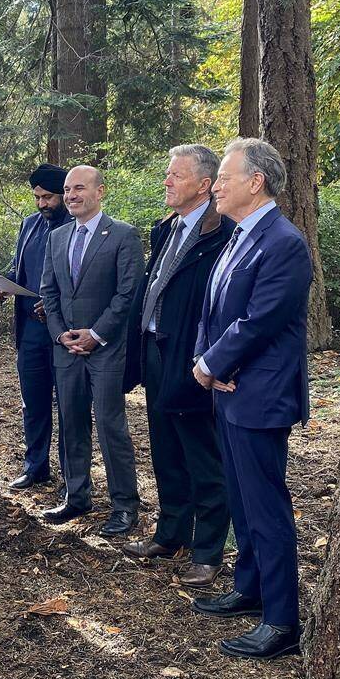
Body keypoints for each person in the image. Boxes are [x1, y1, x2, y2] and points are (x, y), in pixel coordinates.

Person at [191, 138, 312, 660]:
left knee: (266, 506)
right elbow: (213, 312)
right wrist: (208, 363)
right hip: (229, 390)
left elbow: (260, 320)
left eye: (224, 175)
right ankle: (250, 588)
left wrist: (213, 364)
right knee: (242, 500)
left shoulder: (284, 242)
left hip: (259, 394)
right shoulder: (237, 237)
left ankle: (282, 620)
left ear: (255, 181)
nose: (215, 184)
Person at [123, 145, 235, 589]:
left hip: (192, 357)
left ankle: (208, 551)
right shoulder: (167, 229)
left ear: (204, 185)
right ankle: (170, 534)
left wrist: (210, 358)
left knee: (202, 453)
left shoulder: (220, 232)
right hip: (156, 349)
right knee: (165, 446)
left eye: (176, 175)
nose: (166, 181)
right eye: (167, 174)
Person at [39, 165, 144, 535]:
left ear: (100, 191)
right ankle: (77, 495)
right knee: (71, 422)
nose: (70, 195)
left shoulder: (123, 235)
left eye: (79, 188)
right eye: (67, 189)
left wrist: (96, 334)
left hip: (106, 350)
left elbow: (128, 294)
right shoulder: (57, 237)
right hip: (66, 350)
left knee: (110, 426)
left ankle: (125, 505)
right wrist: (60, 335)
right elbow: (48, 293)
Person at [0, 164, 74, 490]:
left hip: (65, 333)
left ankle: (72, 475)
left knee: (68, 406)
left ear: (64, 195)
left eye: (48, 197)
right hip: (29, 333)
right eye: (38, 197)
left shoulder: (75, 226)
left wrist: (56, 304)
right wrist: (3, 286)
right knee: (34, 403)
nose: (42, 203)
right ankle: (36, 465)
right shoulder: (29, 225)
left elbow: (84, 281)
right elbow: (19, 271)